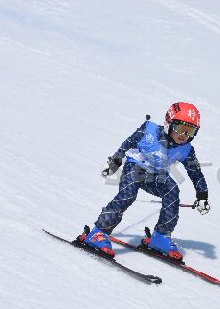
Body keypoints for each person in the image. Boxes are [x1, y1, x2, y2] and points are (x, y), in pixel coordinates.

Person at [81, 102, 210, 261]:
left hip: (156, 176)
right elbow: (129, 142)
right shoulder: (149, 131)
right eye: (180, 128)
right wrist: (115, 161)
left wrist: (202, 195)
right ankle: (98, 232)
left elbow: (195, 173)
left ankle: (160, 236)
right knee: (128, 195)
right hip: (135, 167)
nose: (184, 135)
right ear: (168, 123)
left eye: (190, 131)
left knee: (172, 189)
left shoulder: (186, 149)